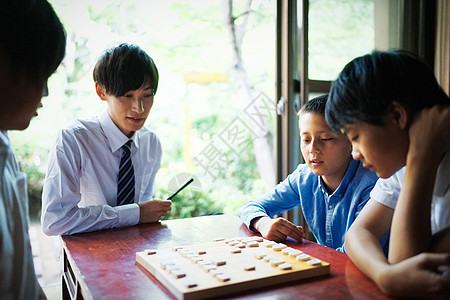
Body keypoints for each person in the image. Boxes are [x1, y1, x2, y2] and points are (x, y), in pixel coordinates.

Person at [325, 50, 450, 297]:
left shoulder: (413, 162)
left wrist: (421, 161)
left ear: (397, 116)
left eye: (356, 138)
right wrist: (384, 275)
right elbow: (357, 234)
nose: (355, 154)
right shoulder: (400, 166)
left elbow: (409, 263)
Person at [41, 43, 171, 236]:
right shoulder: (74, 139)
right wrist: (134, 213)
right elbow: (55, 221)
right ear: (101, 91)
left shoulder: (151, 143)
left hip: (134, 251)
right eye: (127, 96)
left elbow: (142, 214)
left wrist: (145, 213)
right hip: (85, 256)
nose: (139, 108)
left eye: (147, 95)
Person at [239, 95, 378, 252]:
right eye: (306, 140)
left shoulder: (372, 185)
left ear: (351, 140)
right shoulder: (304, 177)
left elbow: (355, 253)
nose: (312, 149)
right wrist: (263, 223)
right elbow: (250, 206)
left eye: (325, 139)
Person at [0, 1, 66, 299]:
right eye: (42, 75)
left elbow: (22, 275)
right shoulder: (72, 138)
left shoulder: (5, 149)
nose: (45, 92)